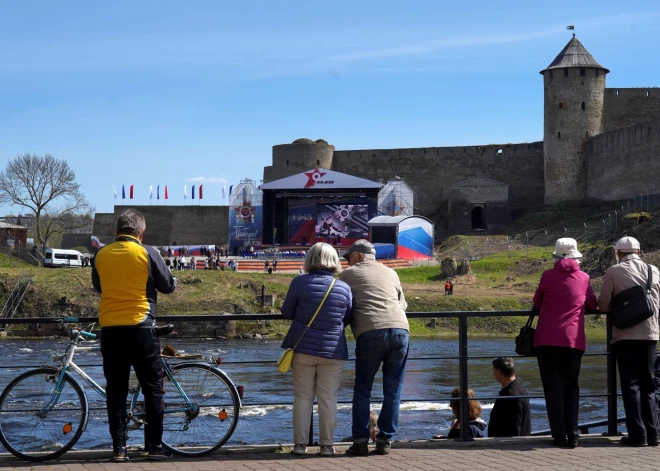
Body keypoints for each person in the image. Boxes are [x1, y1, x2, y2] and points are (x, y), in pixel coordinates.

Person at [91, 208, 177, 462]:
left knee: (116, 390)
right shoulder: (148, 252)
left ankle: (119, 449)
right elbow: (168, 286)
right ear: (141, 232)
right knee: (153, 388)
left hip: (110, 328)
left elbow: (99, 286)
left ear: (117, 231)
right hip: (141, 326)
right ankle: (154, 447)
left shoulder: (101, 254)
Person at [280, 242, 352, 456]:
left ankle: (300, 445)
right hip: (333, 351)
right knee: (328, 398)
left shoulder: (299, 283)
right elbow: (346, 318)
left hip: (303, 349)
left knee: (302, 397)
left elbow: (287, 312)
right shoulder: (344, 288)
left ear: (310, 260)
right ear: (334, 262)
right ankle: (327, 446)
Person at [339, 239, 409, 456]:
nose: (347, 263)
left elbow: (344, 306)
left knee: (362, 389)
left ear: (359, 256)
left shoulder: (346, 276)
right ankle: (385, 440)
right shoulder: (392, 273)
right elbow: (403, 304)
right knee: (393, 389)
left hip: (370, 332)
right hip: (400, 331)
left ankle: (360, 440)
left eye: (349, 258)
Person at [533, 238, 597, 448]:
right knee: (572, 387)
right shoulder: (584, 277)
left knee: (553, 388)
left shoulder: (547, 275)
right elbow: (592, 304)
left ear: (557, 256)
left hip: (547, 339)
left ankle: (559, 435)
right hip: (573, 339)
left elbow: (537, 302)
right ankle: (574, 434)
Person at [598, 236, 660, 447]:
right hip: (651, 334)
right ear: (639, 252)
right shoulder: (654, 270)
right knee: (648, 385)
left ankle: (637, 435)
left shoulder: (614, 271)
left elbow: (604, 305)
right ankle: (654, 434)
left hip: (625, 336)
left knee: (631, 385)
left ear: (618, 254)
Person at [488, 357, 532, 437]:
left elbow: (516, 426)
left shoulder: (511, 395)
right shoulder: (520, 389)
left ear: (498, 372)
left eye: (494, 371)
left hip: (507, 445)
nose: (493, 373)